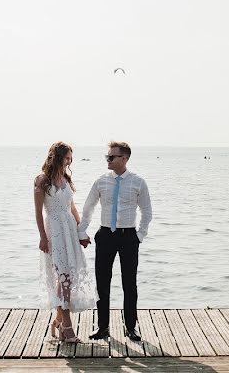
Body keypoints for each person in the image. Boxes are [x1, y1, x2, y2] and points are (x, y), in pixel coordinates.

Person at [77, 141, 152, 341]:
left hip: (129, 237)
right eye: (107, 157)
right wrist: (81, 232)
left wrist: (140, 236)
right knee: (102, 283)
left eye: (111, 157)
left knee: (130, 283)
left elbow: (147, 211)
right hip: (105, 236)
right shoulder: (101, 181)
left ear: (124, 158)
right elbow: (88, 208)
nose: (108, 160)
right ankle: (102, 327)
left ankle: (131, 327)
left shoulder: (138, 182)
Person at [34, 141, 97, 343]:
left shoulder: (67, 178)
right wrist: (43, 237)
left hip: (69, 230)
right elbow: (37, 212)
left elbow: (72, 208)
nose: (70, 161)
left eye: (71, 157)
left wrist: (82, 232)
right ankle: (67, 328)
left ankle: (58, 321)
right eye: (67, 157)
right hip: (54, 231)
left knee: (68, 276)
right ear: (57, 156)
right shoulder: (42, 180)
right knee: (63, 279)